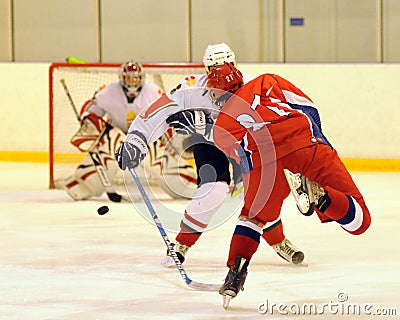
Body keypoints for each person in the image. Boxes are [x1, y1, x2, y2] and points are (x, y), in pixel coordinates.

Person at [115, 43, 305, 267]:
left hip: (243, 142)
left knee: (259, 192)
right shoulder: (190, 87)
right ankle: (182, 244)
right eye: (213, 68)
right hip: (209, 144)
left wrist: (205, 124)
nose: (220, 74)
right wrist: (136, 140)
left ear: (234, 64)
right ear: (205, 69)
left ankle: (278, 240)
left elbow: (267, 127)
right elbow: (158, 113)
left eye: (225, 66)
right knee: (213, 191)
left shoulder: (254, 85)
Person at [206, 63, 372, 308]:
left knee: (251, 219)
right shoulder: (266, 81)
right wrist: (318, 141)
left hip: (266, 164)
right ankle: (323, 197)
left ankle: (235, 273)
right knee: (360, 222)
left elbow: (243, 158)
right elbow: (308, 107)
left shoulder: (221, 127)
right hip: (305, 145)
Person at [55, 60, 164, 201]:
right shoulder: (108, 91)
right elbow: (91, 110)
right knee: (112, 144)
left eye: (135, 78)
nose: (132, 82)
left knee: (166, 165)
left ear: (141, 78)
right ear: (122, 78)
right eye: (128, 78)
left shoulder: (153, 92)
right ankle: (83, 185)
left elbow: (167, 115)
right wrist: (88, 121)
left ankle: (186, 184)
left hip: (146, 139)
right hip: (115, 138)